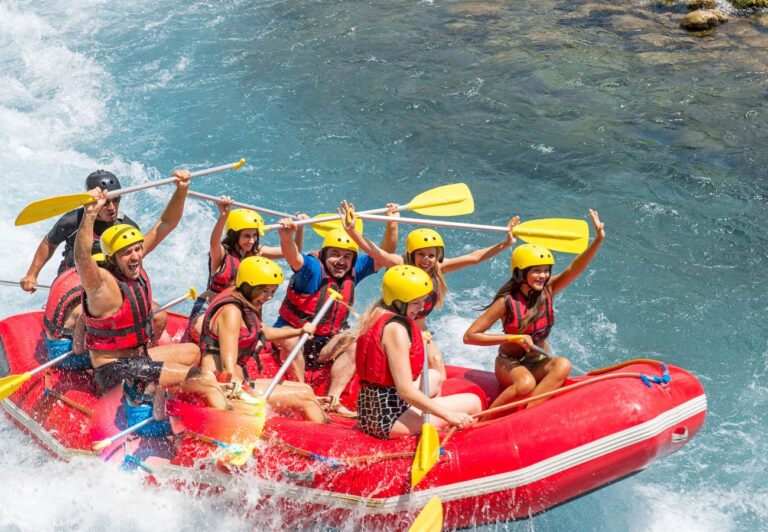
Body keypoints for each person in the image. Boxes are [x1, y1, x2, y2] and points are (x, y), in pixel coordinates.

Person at [75, 170, 227, 417]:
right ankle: (223, 429)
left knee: (193, 352)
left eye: (138, 250)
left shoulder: (134, 261)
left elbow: (166, 223)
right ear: (111, 258)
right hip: (116, 371)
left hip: (139, 358)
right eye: (127, 253)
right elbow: (82, 259)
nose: (136, 256)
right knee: (203, 379)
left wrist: (182, 190)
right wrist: (90, 214)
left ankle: (165, 388)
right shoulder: (102, 283)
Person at [339, 200, 517, 389]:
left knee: (437, 362)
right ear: (412, 254)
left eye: (431, 255)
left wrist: (505, 243)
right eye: (421, 254)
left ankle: (433, 408)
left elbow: (474, 257)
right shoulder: (400, 263)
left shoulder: (438, 268)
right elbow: (375, 251)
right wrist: (352, 231)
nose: (426, 260)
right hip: (393, 328)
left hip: (419, 329)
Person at [463, 210, 605, 419]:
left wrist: (598, 240)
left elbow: (576, 267)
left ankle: (527, 417)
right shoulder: (506, 303)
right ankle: (484, 422)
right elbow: (470, 336)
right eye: (536, 271)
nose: (543, 275)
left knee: (563, 364)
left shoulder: (549, 289)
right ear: (521, 273)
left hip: (537, 360)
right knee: (525, 383)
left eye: (546, 270)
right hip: (509, 363)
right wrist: (514, 338)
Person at [273, 208, 399, 417]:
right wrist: (287, 238)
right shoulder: (312, 270)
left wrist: (392, 224)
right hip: (296, 336)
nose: (341, 261)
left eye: (347, 256)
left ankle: (333, 400)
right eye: (335, 255)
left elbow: (382, 254)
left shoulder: (353, 270)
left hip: (326, 342)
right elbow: (294, 257)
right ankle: (303, 395)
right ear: (324, 255)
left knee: (358, 340)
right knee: (290, 340)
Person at [355, 265, 480, 439]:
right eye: (415, 303)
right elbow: (405, 390)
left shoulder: (376, 314)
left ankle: (435, 428)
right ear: (398, 301)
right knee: (473, 402)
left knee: (434, 376)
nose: (421, 308)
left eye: (423, 302)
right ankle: (459, 444)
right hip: (387, 418)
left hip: (372, 408)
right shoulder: (396, 329)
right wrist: (449, 415)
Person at [199, 256, 327, 423]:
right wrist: (239, 399)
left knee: (306, 389)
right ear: (248, 286)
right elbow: (227, 368)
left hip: (239, 381)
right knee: (305, 398)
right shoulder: (232, 311)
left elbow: (263, 332)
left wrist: (299, 331)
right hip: (222, 385)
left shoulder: (245, 301)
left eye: (272, 291)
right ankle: (325, 443)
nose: (269, 297)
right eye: (264, 290)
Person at [187, 198, 306, 342]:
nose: (251, 240)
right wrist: (223, 216)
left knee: (251, 342)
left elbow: (294, 252)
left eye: (255, 235)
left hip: (239, 310)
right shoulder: (222, 254)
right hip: (209, 308)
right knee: (208, 340)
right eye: (246, 236)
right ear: (234, 235)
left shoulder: (256, 251)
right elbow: (214, 242)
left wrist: (299, 229)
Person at [20, 170, 140, 292]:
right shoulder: (71, 221)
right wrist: (32, 274)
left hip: (108, 279)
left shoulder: (128, 227)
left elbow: (135, 261)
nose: (112, 208)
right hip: (73, 275)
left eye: (116, 200)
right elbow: (49, 243)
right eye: (106, 202)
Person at [42, 252, 108, 370]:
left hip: (51, 343)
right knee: (114, 355)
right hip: (63, 355)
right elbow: (78, 349)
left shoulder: (75, 281)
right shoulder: (88, 306)